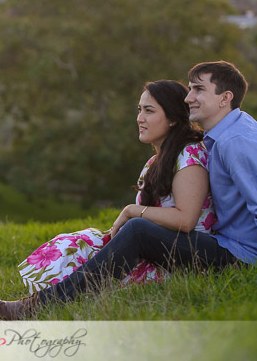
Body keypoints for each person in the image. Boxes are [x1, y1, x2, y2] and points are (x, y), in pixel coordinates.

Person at [0, 61, 257, 321]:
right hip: (230, 245)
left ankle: (37, 307)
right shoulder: (222, 138)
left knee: (137, 230)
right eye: (189, 89)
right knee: (108, 237)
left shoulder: (235, 142)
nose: (189, 98)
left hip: (246, 258)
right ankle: (51, 299)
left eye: (198, 89)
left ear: (224, 98)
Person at [15, 80, 216, 294]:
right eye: (139, 110)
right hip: (158, 249)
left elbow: (186, 220)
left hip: (185, 258)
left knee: (100, 243)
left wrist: (132, 211)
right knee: (80, 242)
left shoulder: (190, 155)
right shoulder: (155, 163)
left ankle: (44, 302)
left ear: (173, 118)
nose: (140, 118)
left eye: (149, 111)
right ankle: (46, 298)